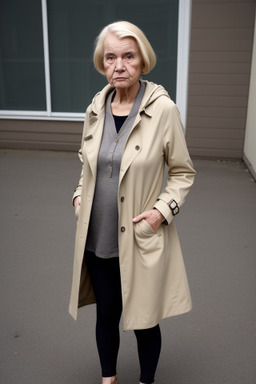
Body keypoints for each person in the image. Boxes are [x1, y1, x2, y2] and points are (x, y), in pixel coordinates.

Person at [69, 21, 195, 384]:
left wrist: (160, 213)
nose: (118, 65)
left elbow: (183, 172)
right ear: (102, 63)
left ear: (142, 61)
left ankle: (146, 380)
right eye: (110, 57)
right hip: (99, 237)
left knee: (144, 320)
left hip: (140, 238)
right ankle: (109, 379)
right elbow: (87, 164)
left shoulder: (164, 110)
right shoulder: (96, 107)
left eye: (128, 56)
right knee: (106, 314)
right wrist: (79, 196)